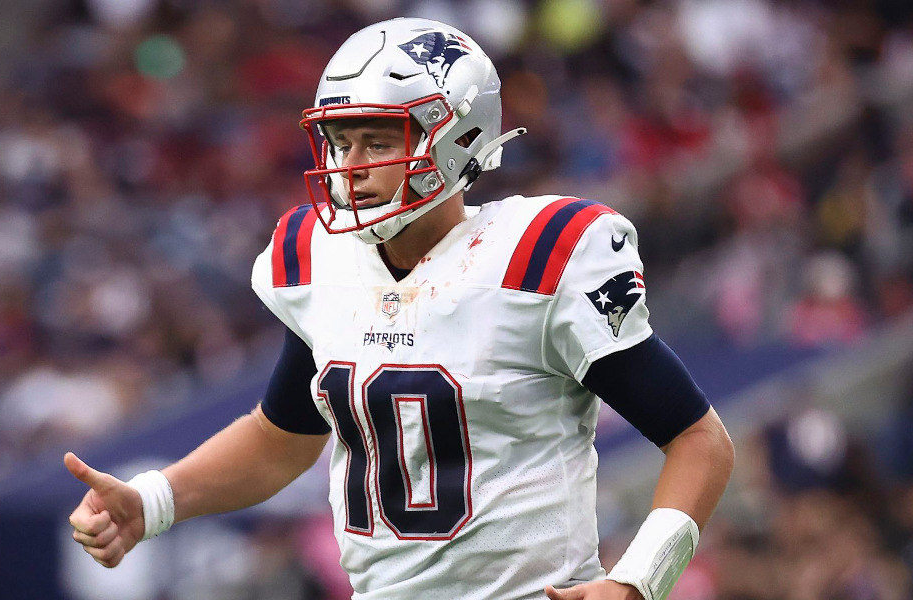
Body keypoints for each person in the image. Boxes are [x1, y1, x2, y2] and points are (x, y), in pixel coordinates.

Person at [65, 17, 735, 600]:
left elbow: (699, 440)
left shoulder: (539, 259)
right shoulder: (321, 261)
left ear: (455, 139)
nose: (349, 166)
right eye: (339, 141)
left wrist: (639, 577)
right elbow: (279, 439)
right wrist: (153, 501)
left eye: (377, 142)